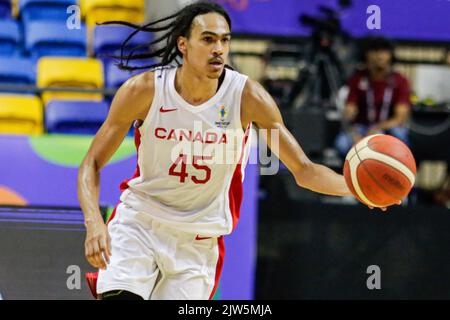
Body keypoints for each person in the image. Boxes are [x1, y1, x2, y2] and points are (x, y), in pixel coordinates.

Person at [77, 2, 389, 301]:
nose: (218, 49)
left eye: (225, 40)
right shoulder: (144, 90)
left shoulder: (247, 97)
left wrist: (356, 188)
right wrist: (94, 223)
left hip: (198, 242)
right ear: (183, 44)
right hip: (140, 224)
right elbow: (91, 162)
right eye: (208, 39)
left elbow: (304, 171)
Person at [335, 36, 411, 157]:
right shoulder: (357, 79)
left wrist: (378, 129)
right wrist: (354, 133)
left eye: (384, 51)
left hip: (387, 127)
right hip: (362, 127)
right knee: (342, 144)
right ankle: (349, 173)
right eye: (374, 51)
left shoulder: (399, 80)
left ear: (391, 55)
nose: (379, 56)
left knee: (401, 136)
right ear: (366, 55)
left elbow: (400, 117)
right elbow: (350, 112)